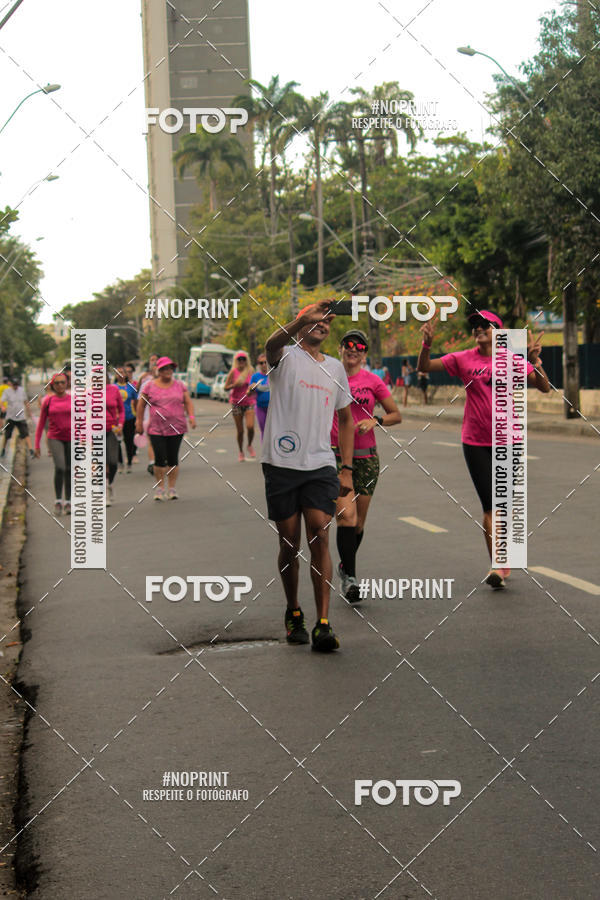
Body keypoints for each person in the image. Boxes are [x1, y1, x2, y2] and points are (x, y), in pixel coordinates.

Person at [418, 309, 550, 589]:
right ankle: (498, 565)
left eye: (485, 325)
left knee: (503, 506)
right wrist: (426, 343)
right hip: (475, 441)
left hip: (509, 441)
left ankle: (501, 563)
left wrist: (536, 361)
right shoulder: (462, 358)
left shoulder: (512, 361)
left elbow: (544, 388)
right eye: (475, 325)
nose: (478, 328)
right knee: (490, 506)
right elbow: (426, 367)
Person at [263, 300, 354, 652]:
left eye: (328, 322)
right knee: (289, 542)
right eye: (318, 319)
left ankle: (323, 624)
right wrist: (301, 318)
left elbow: (345, 418)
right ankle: (294, 611)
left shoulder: (335, 368)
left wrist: (345, 466)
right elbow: (271, 345)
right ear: (302, 324)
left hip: (319, 465)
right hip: (281, 464)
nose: (323, 325)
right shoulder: (284, 357)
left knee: (319, 533)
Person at [331, 330, 402, 602]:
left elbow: (396, 414)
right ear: (340, 348)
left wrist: (377, 421)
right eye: (348, 344)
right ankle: (350, 577)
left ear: (365, 353)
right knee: (345, 517)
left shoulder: (372, 381)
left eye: (359, 346)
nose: (353, 349)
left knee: (358, 524)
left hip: (368, 458)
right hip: (336, 456)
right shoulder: (329, 376)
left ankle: (344, 566)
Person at [135, 356, 196, 501]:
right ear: (159, 370)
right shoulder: (149, 386)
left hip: (177, 428)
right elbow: (141, 404)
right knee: (159, 459)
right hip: (156, 428)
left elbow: (188, 402)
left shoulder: (179, 385)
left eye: (170, 368)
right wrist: (138, 421)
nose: (168, 371)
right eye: (164, 368)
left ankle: (172, 488)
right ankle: (160, 487)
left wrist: (192, 417)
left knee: (173, 458)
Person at [34, 373, 72, 515]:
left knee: (69, 469)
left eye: (63, 382)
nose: (60, 385)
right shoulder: (48, 401)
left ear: (67, 383)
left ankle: (68, 501)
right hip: (55, 437)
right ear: (52, 385)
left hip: (71, 438)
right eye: (57, 383)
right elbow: (41, 424)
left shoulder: (73, 400)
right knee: (60, 467)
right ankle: (58, 500)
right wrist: (37, 445)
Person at [225, 351, 256, 461]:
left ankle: (249, 445)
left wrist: (252, 388)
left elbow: (255, 384)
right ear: (236, 361)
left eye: (243, 359)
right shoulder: (233, 372)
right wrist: (234, 385)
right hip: (236, 403)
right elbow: (225, 387)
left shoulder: (251, 371)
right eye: (239, 359)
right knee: (240, 431)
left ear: (246, 360)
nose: (242, 361)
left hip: (249, 402)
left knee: (250, 427)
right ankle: (241, 451)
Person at [102, 369, 125, 507]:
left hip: (111, 430)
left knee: (113, 462)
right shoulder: (87, 393)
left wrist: (120, 424)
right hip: (94, 432)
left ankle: (110, 484)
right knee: (100, 463)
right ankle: (103, 493)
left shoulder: (114, 390)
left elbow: (121, 410)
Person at [0, 377, 33, 458]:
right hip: (10, 416)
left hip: (21, 416)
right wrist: (3, 407)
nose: (15, 386)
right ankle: (3, 449)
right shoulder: (7, 391)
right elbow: (1, 400)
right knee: (7, 435)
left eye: (16, 385)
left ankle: (31, 449)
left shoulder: (21, 390)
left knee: (25, 433)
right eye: (14, 385)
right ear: (11, 384)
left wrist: (29, 411)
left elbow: (25, 401)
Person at [114, 366, 138, 472]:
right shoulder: (113, 387)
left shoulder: (131, 387)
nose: (119, 375)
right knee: (117, 441)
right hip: (116, 419)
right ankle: (120, 463)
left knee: (129, 441)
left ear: (125, 374)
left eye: (121, 372)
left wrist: (138, 417)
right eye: (117, 373)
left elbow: (136, 402)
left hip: (129, 417)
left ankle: (129, 462)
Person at [137, 356, 158, 475]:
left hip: (166, 419)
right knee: (151, 440)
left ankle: (160, 460)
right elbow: (140, 400)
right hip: (149, 416)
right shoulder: (146, 380)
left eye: (156, 361)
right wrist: (139, 420)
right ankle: (152, 462)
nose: (153, 363)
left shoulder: (169, 381)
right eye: (151, 360)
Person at [248, 354, 270, 439]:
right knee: (264, 431)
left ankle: (274, 451)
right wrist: (251, 388)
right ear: (258, 364)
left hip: (273, 408)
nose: (264, 364)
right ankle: (265, 451)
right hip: (260, 407)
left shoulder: (273, 375)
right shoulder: (255, 376)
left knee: (273, 431)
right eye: (261, 363)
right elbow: (248, 393)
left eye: (265, 362)